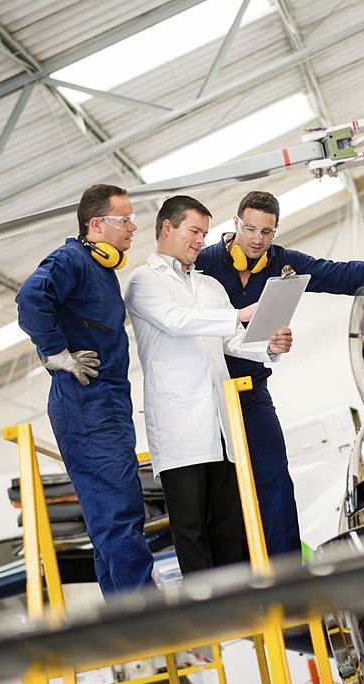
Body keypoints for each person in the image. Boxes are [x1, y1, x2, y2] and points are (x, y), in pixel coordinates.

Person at [194, 190, 364, 557]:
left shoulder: (282, 263)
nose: (257, 239)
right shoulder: (203, 263)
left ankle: (290, 576)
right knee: (220, 494)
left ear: (275, 230)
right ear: (235, 224)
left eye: (267, 232)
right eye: (250, 229)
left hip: (251, 392)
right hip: (205, 396)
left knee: (274, 481)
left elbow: (336, 275)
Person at [124, 195, 293, 575]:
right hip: (179, 429)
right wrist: (240, 314)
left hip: (220, 427)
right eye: (194, 232)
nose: (202, 240)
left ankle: (245, 625)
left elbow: (231, 343)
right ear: (167, 228)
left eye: (204, 233)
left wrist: (269, 345)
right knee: (192, 532)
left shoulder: (209, 285)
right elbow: (178, 321)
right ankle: (214, 628)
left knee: (231, 531)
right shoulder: (143, 281)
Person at [16, 183, 153, 595]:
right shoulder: (72, 259)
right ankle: (145, 612)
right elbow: (29, 298)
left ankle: (125, 611)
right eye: (123, 219)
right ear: (95, 225)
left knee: (108, 516)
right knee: (119, 512)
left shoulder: (101, 270)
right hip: (87, 403)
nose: (132, 226)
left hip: (104, 402)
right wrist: (56, 351)